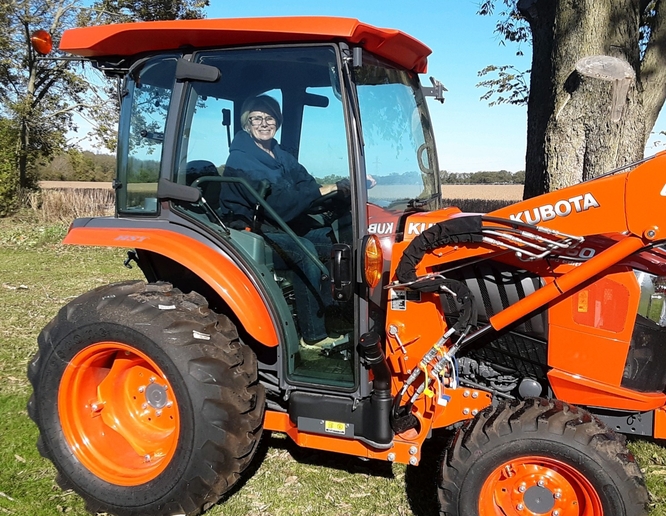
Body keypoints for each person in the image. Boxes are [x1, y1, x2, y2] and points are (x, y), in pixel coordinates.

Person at [219, 95, 348, 346]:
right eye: (257, 118)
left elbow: (306, 183)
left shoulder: (280, 154)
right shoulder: (241, 160)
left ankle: (334, 314)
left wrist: (330, 191)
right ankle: (313, 335)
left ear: (277, 122)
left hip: (281, 224)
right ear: (247, 123)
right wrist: (316, 191)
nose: (264, 123)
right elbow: (278, 205)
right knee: (304, 251)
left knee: (336, 242)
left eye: (270, 118)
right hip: (251, 230)